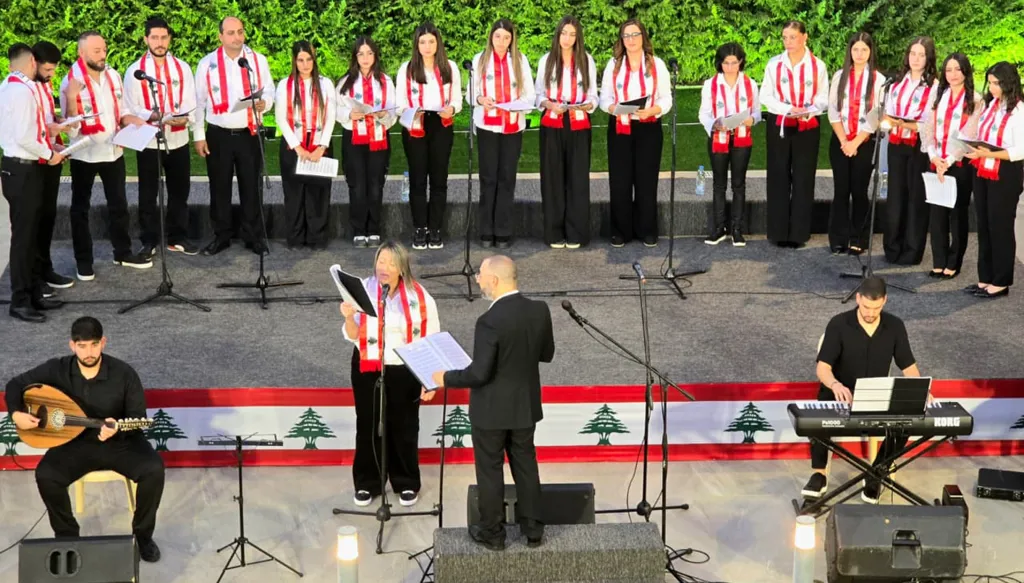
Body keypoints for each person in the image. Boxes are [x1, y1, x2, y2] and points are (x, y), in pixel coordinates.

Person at [4, 317, 165, 561]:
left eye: (94, 345)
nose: (88, 352)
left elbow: (138, 417)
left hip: (119, 442)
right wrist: (16, 413)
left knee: (154, 469)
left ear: (103, 343)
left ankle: (142, 536)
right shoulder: (57, 369)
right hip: (74, 444)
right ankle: (67, 537)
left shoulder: (124, 373)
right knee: (46, 475)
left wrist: (118, 429)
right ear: (72, 345)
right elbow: (15, 385)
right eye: (82, 346)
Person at [432, 255, 555, 551]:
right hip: (524, 406)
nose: (477, 279)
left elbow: (479, 373)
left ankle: (493, 534)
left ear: (495, 281)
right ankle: (533, 531)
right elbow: (546, 353)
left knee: (490, 470)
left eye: (481, 274)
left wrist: (445, 377)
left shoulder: (489, 321)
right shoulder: (539, 310)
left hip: (491, 412)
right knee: (526, 464)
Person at [804, 276, 923, 504]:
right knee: (819, 413)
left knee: (905, 421)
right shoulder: (839, 324)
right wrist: (835, 384)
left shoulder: (895, 326)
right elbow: (823, 368)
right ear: (857, 298)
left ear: (885, 301)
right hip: (841, 395)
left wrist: (919, 390)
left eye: (876, 308)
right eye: (867, 306)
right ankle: (819, 474)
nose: (870, 312)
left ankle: (877, 472)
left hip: (876, 397)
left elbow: (908, 366)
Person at [339, 241, 440, 508]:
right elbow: (352, 335)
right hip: (368, 366)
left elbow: (431, 339)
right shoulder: (364, 290)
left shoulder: (421, 297)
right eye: (380, 261)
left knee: (404, 426)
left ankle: (405, 482)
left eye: (391, 263)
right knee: (368, 424)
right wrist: (349, 317)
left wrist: (429, 380)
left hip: (405, 369)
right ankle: (367, 483)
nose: (384, 268)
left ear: (402, 268)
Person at [60, 31, 152, 280]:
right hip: (84, 153)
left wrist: (132, 119)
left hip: (113, 150)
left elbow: (120, 109)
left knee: (119, 205)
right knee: (80, 209)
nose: (103, 55)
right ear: (82, 53)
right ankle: (84, 261)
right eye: (96, 51)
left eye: (104, 49)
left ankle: (122, 252)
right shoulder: (70, 81)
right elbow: (71, 126)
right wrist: (70, 97)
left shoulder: (112, 74)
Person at [194, 16, 275, 256]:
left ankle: (254, 237)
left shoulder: (256, 60)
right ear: (220, 36)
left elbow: (269, 89)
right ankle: (222, 236)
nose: (236, 37)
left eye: (240, 31)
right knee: (219, 188)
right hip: (218, 135)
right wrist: (199, 135)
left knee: (251, 186)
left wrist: (265, 103)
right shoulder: (207, 64)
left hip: (248, 134)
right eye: (230, 33)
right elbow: (198, 102)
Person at [123, 17, 200, 258]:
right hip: (148, 140)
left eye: (163, 37)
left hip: (178, 140)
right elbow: (130, 107)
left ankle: (177, 237)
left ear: (169, 38)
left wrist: (186, 117)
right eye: (154, 37)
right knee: (148, 193)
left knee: (180, 191)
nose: (159, 42)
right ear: (146, 39)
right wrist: (155, 115)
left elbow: (191, 100)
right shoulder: (135, 71)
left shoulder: (183, 68)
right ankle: (148, 240)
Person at [0, 43, 66, 323]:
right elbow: (27, 137)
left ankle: (33, 291)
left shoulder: (9, 85)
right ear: (31, 62)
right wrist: (51, 154)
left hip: (19, 168)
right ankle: (20, 299)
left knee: (31, 234)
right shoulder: (22, 91)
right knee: (24, 238)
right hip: (23, 168)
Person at [599, 19, 672, 248]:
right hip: (620, 126)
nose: (631, 40)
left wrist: (654, 110)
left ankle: (647, 229)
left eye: (635, 34)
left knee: (646, 179)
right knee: (620, 180)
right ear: (622, 40)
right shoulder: (614, 65)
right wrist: (614, 109)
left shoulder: (656, 64)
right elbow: (605, 100)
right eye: (626, 36)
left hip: (648, 125)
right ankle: (620, 231)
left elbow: (666, 98)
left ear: (643, 37)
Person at [759, 20, 829, 248]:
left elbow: (824, 98)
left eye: (793, 37)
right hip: (779, 123)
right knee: (778, 176)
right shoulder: (773, 64)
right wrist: (788, 109)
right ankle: (778, 232)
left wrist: (807, 110)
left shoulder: (817, 65)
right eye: (785, 37)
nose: (788, 42)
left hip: (807, 125)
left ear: (804, 37)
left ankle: (799, 233)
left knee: (803, 177)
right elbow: (766, 97)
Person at [471, 19, 535, 249]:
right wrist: (480, 99)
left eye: (506, 37)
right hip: (488, 126)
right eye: (497, 36)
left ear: (512, 40)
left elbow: (530, 95)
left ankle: (503, 231)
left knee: (507, 178)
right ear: (491, 37)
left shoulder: (520, 60)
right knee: (488, 178)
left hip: (512, 126)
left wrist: (515, 104)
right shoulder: (481, 59)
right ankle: (486, 231)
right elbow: (472, 93)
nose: (501, 42)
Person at [396, 22, 461, 251]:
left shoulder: (450, 67)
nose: (427, 46)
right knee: (417, 179)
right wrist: (410, 111)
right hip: (415, 124)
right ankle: (419, 228)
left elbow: (457, 101)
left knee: (439, 178)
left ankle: (435, 228)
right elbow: (399, 103)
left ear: (438, 43)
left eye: (431, 41)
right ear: (417, 44)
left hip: (441, 124)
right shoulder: (406, 68)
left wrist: (451, 109)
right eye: (422, 42)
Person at [535, 15, 597, 250]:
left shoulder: (586, 60)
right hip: (552, 121)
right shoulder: (546, 60)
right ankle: (554, 232)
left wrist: (588, 104)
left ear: (577, 37)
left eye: (572, 34)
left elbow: (593, 94)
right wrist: (549, 104)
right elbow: (538, 94)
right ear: (557, 34)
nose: (567, 38)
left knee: (577, 177)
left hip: (579, 122)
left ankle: (576, 232)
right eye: (564, 33)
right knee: (552, 177)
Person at [964, 62, 1024, 299]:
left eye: (997, 83)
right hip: (983, 167)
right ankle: (985, 278)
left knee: (1000, 226)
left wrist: (988, 153)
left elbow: (1020, 150)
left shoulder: (1019, 110)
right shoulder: (990, 106)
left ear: (1008, 83)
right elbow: (982, 134)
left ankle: (1001, 281)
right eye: (990, 83)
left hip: (1005, 172)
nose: (992, 87)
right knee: (984, 225)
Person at [923, 53, 982, 279]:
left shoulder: (975, 100)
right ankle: (939, 261)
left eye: (957, 69)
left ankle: (953, 262)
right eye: (948, 70)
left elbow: (969, 135)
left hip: (959, 164)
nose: (953, 74)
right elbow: (927, 128)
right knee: (936, 213)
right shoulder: (939, 96)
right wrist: (934, 156)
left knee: (957, 214)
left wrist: (948, 160)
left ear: (965, 71)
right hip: (936, 160)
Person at [826, 32, 885, 255]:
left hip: (864, 142)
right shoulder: (839, 76)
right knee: (841, 190)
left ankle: (858, 238)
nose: (859, 54)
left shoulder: (878, 80)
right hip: (841, 141)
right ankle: (838, 238)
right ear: (849, 51)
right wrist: (844, 141)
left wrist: (856, 142)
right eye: (855, 49)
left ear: (870, 53)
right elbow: (833, 112)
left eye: (864, 50)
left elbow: (876, 114)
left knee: (859, 190)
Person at [698, 42, 760, 247]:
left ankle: (737, 228)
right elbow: (703, 113)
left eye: (734, 63)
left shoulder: (750, 84)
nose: (730, 67)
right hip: (719, 137)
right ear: (720, 63)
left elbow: (757, 112)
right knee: (718, 184)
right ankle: (718, 228)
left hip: (741, 137)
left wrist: (752, 119)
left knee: (739, 184)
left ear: (741, 62)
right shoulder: (710, 84)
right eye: (726, 63)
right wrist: (715, 125)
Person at [276, 40, 336, 250]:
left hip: (320, 145)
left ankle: (317, 238)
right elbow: (281, 118)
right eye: (300, 60)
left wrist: (322, 146)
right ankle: (295, 238)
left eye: (309, 59)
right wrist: (298, 147)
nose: (305, 64)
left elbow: (331, 117)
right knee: (293, 194)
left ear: (314, 59)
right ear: (294, 61)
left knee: (318, 194)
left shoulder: (326, 84)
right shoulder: (285, 84)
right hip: (294, 146)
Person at [882, 37, 937, 264]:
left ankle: (912, 249)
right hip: (896, 142)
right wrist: (891, 120)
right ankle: (892, 246)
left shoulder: (933, 86)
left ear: (929, 58)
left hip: (918, 146)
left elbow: (930, 121)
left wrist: (906, 124)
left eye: (921, 55)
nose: (916, 59)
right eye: (913, 54)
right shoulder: (896, 82)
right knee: (895, 194)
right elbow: (887, 110)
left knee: (916, 197)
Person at [337, 36, 394, 249]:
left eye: (369, 53)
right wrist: (348, 114)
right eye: (361, 53)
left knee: (375, 184)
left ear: (375, 55)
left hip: (379, 136)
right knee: (357, 185)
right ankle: (358, 229)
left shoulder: (386, 81)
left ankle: (374, 229)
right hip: (354, 138)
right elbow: (336, 109)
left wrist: (383, 116)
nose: (365, 58)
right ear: (355, 57)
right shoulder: (345, 82)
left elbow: (393, 109)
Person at [31, 41, 77, 294]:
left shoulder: (44, 86)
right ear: (33, 63)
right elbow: (28, 130)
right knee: (34, 221)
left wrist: (59, 122)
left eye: (53, 70)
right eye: (47, 70)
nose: (50, 75)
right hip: (36, 161)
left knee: (47, 217)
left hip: (51, 157)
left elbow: (46, 119)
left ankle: (45, 267)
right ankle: (34, 275)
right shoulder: (21, 90)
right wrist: (51, 138)